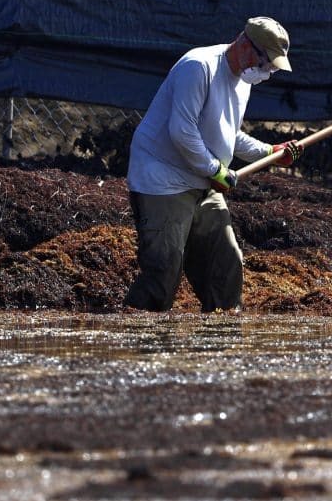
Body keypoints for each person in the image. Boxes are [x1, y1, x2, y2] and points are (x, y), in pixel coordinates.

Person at [124, 16, 303, 313]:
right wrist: (215, 170)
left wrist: (269, 152)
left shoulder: (242, 81)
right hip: (163, 179)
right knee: (164, 269)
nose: (269, 72)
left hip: (204, 180)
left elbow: (228, 134)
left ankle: (222, 338)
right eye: (267, 63)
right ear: (247, 47)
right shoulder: (199, 67)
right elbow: (182, 131)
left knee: (226, 262)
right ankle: (139, 334)